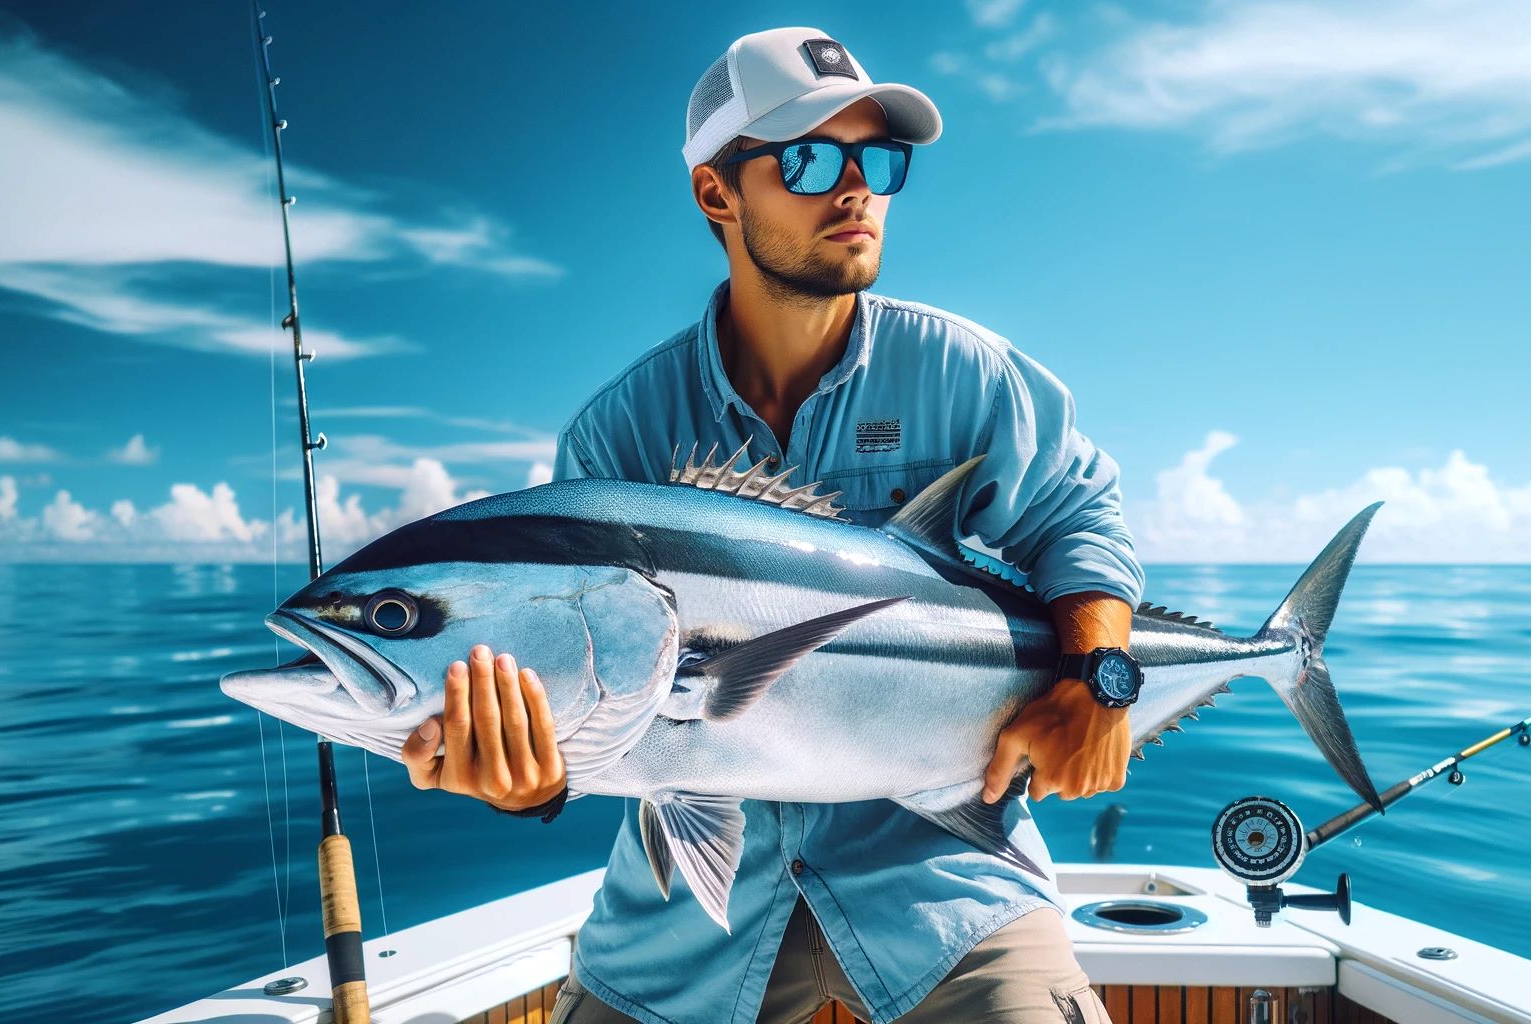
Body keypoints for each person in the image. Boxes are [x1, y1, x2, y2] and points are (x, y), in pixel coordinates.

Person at [400, 26, 1144, 1024]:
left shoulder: (961, 370)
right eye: (805, 158)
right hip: (688, 913)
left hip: (943, 867)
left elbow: (1077, 511)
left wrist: (1097, 680)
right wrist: (530, 786)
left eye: (878, 161)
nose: (854, 190)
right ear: (717, 193)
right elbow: (594, 701)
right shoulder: (620, 431)